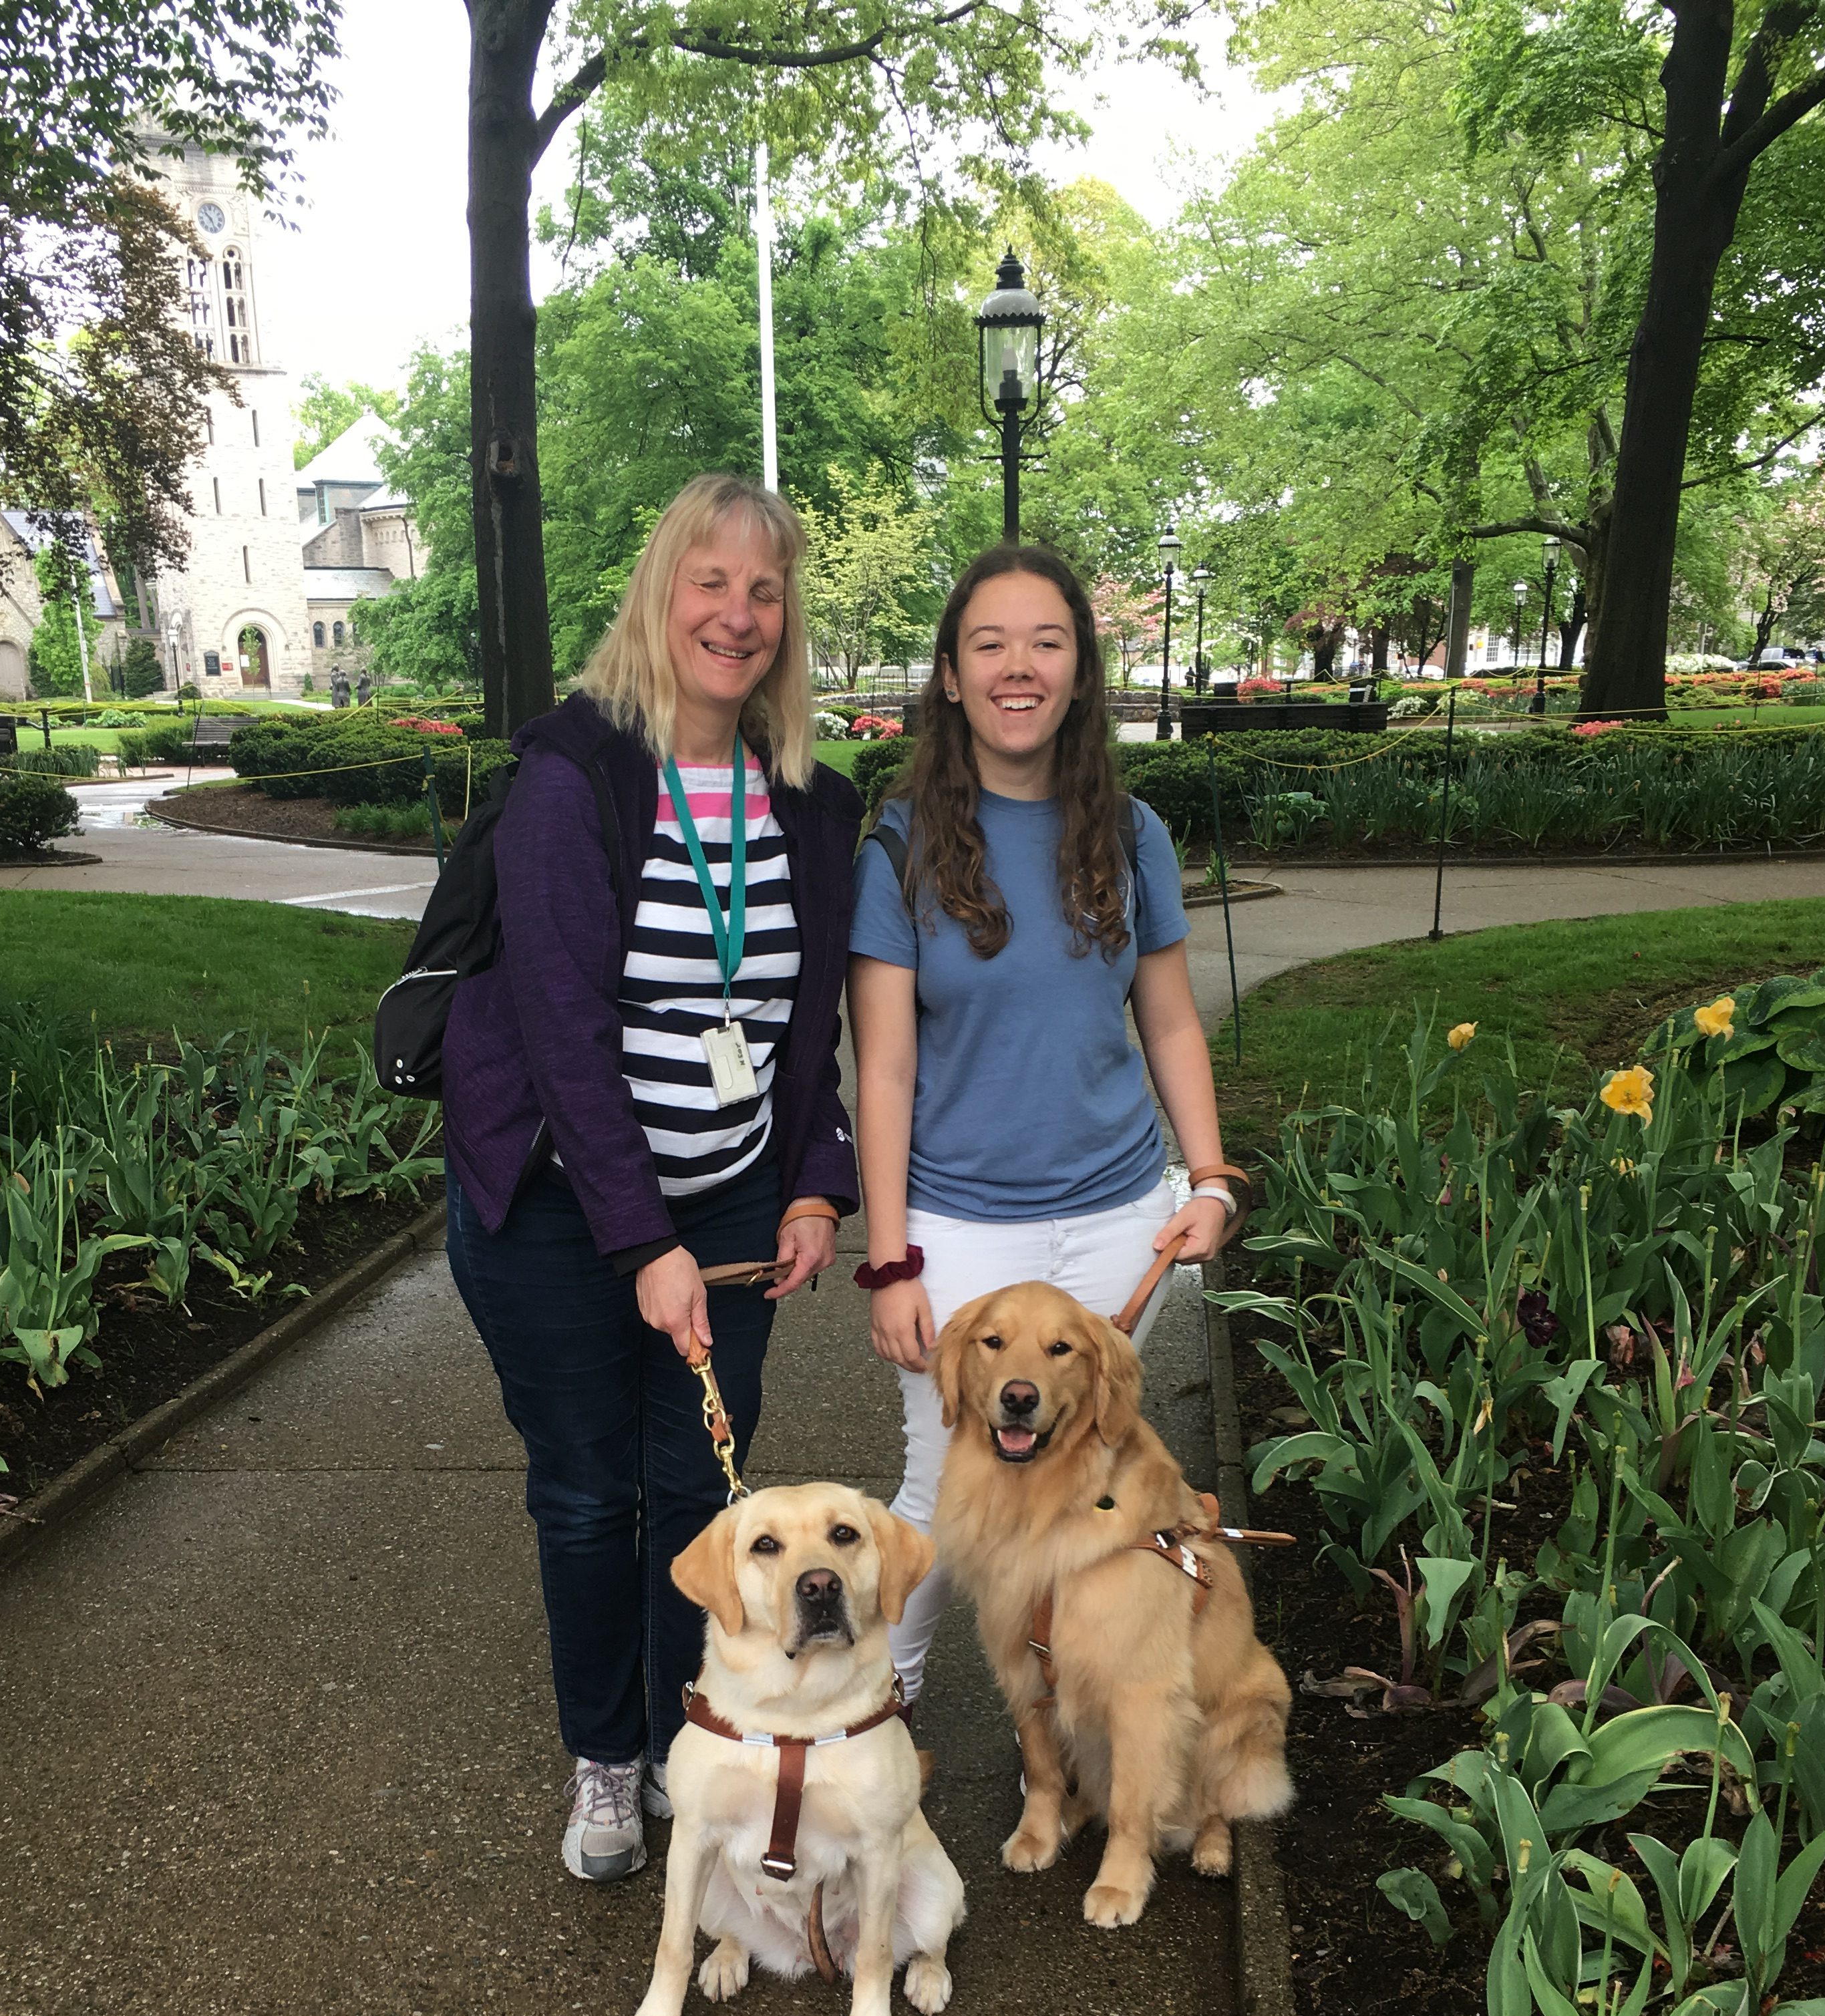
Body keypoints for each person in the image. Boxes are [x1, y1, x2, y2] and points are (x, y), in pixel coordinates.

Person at [442, 475, 864, 1881]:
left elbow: (811, 1029)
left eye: (764, 591)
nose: (736, 616)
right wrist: (643, 1244)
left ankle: (693, 1732)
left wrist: (813, 1185)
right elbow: (563, 1035)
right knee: (586, 1495)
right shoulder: (576, 775)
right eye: (710, 583)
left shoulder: (808, 800)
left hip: (734, 1201)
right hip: (562, 1210)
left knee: (696, 1498)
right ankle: (607, 1764)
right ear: (659, 593)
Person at [848, 540, 1241, 1707]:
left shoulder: (1132, 833)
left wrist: (1207, 1178)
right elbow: (880, 1067)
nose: (1018, 667)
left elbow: (1168, 1023)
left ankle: (1076, 1718)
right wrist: (888, 1258)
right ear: (953, 676)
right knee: (942, 1482)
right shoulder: (901, 842)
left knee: (1086, 1477)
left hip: (1123, 1217)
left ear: (1079, 670)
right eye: (990, 644)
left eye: (1046, 641)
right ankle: (881, 1704)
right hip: (958, 1228)